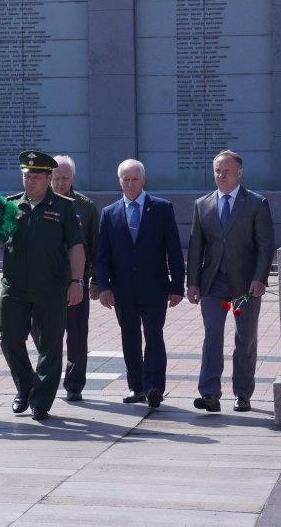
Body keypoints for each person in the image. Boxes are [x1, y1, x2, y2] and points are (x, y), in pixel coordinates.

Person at [0, 150, 85, 421]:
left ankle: (41, 401)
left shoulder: (64, 207)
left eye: (36, 176)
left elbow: (76, 246)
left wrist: (77, 281)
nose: (30, 181)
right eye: (27, 176)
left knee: (50, 346)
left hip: (51, 287)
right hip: (14, 287)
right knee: (9, 338)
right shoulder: (10, 206)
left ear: (48, 178)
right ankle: (26, 386)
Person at [187, 150, 275, 413]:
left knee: (244, 339)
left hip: (246, 285)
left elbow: (265, 244)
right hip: (213, 283)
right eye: (217, 170)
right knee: (212, 336)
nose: (221, 175)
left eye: (226, 171)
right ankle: (210, 393)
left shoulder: (256, 203)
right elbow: (196, 247)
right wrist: (193, 282)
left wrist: (260, 278)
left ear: (239, 173)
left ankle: (243, 394)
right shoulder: (202, 204)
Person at [95, 159, 185, 408]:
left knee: (154, 336)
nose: (130, 183)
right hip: (122, 288)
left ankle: (154, 387)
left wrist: (177, 286)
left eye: (135, 179)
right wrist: (104, 286)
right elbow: (102, 254)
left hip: (155, 287)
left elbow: (174, 250)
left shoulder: (162, 208)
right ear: (119, 181)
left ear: (143, 180)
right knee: (130, 338)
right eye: (126, 179)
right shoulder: (109, 212)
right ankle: (136, 387)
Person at [29, 155, 99, 402]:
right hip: (42, 284)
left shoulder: (85, 207)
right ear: (49, 178)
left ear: (73, 178)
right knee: (39, 332)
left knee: (77, 335)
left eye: (65, 178)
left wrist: (93, 281)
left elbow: (95, 246)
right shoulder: (36, 202)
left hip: (74, 282)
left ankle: (74, 384)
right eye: (56, 178)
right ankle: (51, 368)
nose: (60, 183)